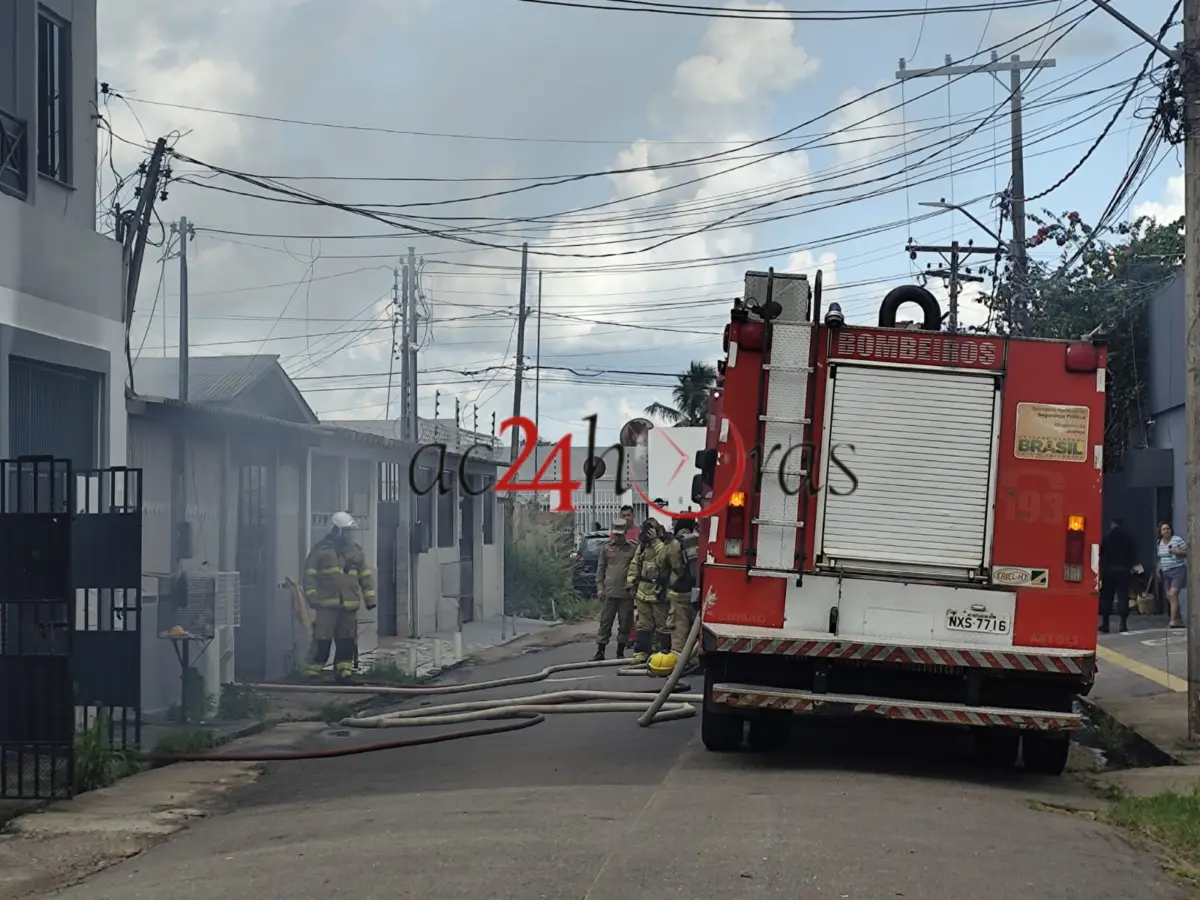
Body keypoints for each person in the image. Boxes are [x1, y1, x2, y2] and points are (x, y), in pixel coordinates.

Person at [303, 511, 377, 680]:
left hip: (349, 604)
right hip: (326, 604)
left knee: (347, 639)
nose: (350, 535)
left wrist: (370, 599)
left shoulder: (356, 551)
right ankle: (312, 671)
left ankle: (344, 671)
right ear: (337, 530)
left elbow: (365, 576)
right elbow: (309, 575)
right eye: (347, 531)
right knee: (322, 638)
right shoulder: (320, 550)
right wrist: (313, 598)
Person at [649, 518, 700, 676]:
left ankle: (680, 665)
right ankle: (698, 661)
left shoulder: (673, 544)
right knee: (698, 632)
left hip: (679, 596)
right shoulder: (700, 540)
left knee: (679, 631)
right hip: (700, 596)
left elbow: (660, 566)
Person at [591, 518, 637, 661]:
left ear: (624, 533)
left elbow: (636, 568)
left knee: (625, 623)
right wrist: (599, 587)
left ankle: (620, 652)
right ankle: (600, 651)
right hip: (609, 592)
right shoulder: (606, 548)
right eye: (615, 534)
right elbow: (600, 568)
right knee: (605, 622)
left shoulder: (633, 548)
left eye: (619, 534)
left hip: (626, 593)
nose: (616, 537)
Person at [627, 518, 669, 663]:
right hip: (643, 591)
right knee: (643, 624)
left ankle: (663, 652)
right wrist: (631, 583)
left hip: (658, 591)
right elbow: (635, 564)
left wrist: (656, 540)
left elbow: (665, 558)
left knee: (662, 624)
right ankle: (641, 652)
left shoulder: (664, 544)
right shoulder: (642, 546)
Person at [1099, 517, 1138, 634]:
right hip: (1123, 571)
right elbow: (1133, 553)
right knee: (1123, 597)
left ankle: (1105, 624)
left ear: (1112, 524)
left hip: (1109, 571)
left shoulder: (1107, 536)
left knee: (1107, 598)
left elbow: (1100, 552)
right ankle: (1123, 624)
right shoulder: (1128, 537)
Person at [1157, 521, 1189, 629]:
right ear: (1160, 532)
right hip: (1166, 572)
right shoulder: (1159, 542)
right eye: (1164, 529)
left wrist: (1177, 551)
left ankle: (1173, 620)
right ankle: (1178, 619)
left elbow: (1188, 552)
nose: (1166, 531)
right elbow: (1161, 557)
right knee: (1169, 596)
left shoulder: (1177, 540)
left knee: (1173, 594)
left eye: (1168, 529)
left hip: (1178, 570)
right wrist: (1158, 568)